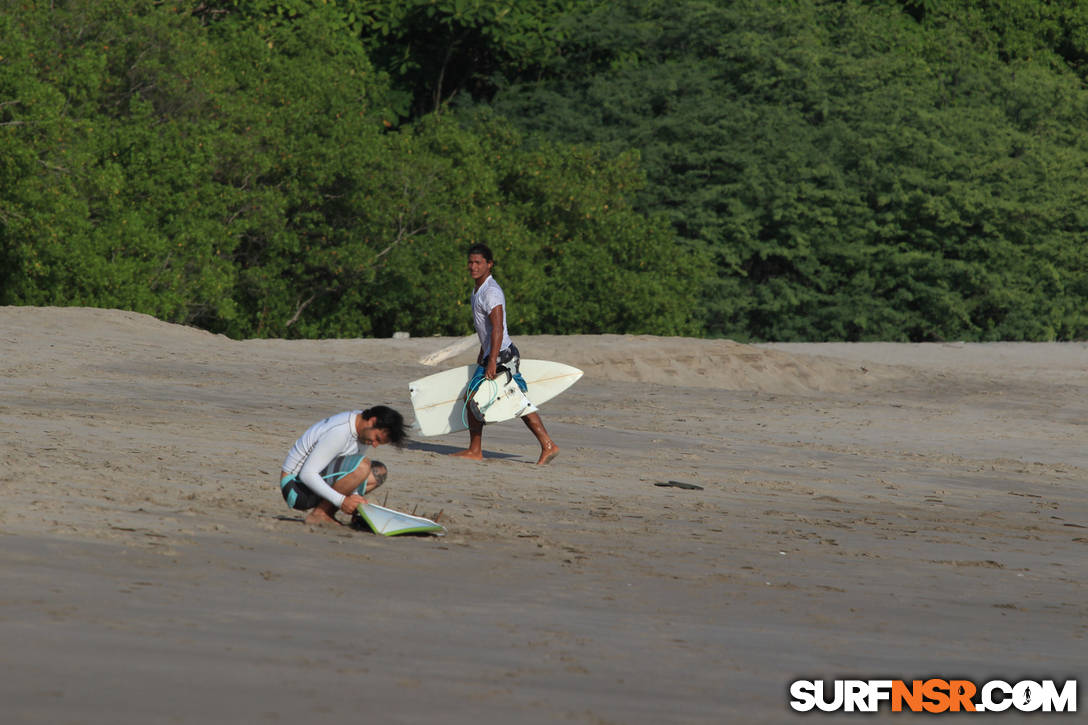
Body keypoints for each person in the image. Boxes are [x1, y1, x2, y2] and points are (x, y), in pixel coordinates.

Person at [452, 243, 559, 465]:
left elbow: (498, 328)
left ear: (489, 265)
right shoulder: (477, 290)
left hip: (503, 356)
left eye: (478, 263)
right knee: (476, 398)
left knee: (512, 400)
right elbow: (486, 331)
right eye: (470, 262)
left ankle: (548, 444)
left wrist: (491, 361)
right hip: (493, 353)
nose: (473, 266)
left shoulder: (491, 292)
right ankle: (475, 449)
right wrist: (483, 355)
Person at [278, 406, 407, 525]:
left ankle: (327, 512)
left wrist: (355, 497)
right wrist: (342, 501)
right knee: (363, 466)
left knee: (378, 473)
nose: (375, 445)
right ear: (372, 421)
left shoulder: (362, 431)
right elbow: (307, 474)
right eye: (377, 438)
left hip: (315, 481)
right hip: (296, 488)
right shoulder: (340, 431)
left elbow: (352, 471)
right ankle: (320, 514)